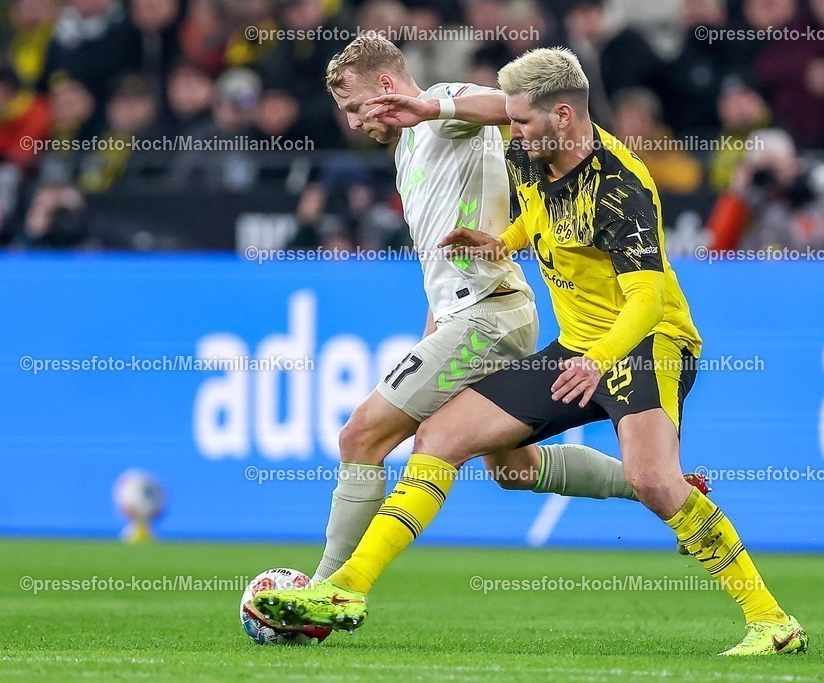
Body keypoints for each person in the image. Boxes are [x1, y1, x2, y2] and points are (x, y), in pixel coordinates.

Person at [255, 46, 808, 658]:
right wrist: (500, 242)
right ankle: (348, 590)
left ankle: (771, 622)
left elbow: (647, 301)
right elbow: (541, 219)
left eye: (519, 121)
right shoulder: (529, 153)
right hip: (574, 347)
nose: (508, 134)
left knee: (654, 481)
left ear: (563, 116)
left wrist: (599, 360)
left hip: (647, 345)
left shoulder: (622, 188)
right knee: (441, 437)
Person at [268, 36, 640, 589]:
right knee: (514, 470)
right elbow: (439, 278)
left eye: (353, 107)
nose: (350, 123)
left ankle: (321, 588)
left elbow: (512, 108)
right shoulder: (407, 152)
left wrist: (430, 106)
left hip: (490, 315)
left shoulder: (444, 108)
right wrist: (431, 334)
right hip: (469, 316)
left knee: (360, 436)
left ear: (388, 88)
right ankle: (654, 482)